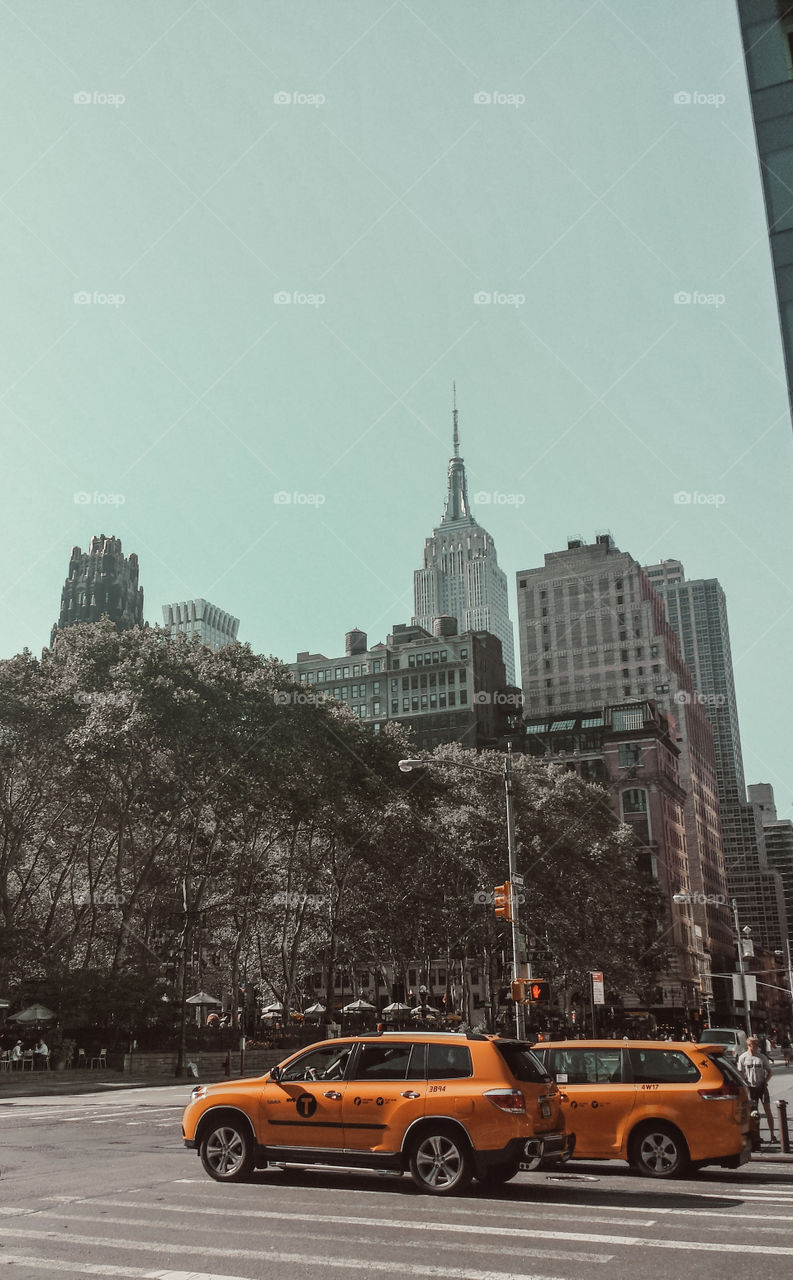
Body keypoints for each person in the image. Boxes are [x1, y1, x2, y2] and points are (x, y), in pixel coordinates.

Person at [738, 1036, 775, 1146]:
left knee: (768, 1110)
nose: (757, 1047)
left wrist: (765, 1081)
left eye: (758, 1045)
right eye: (755, 1045)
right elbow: (740, 1072)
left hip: (762, 1087)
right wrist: (745, 1083)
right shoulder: (743, 1057)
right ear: (749, 1045)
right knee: (754, 1113)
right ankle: (756, 1137)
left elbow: (770, 1071)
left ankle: (773, 1134)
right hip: (751, 1088)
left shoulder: (762, 1057)